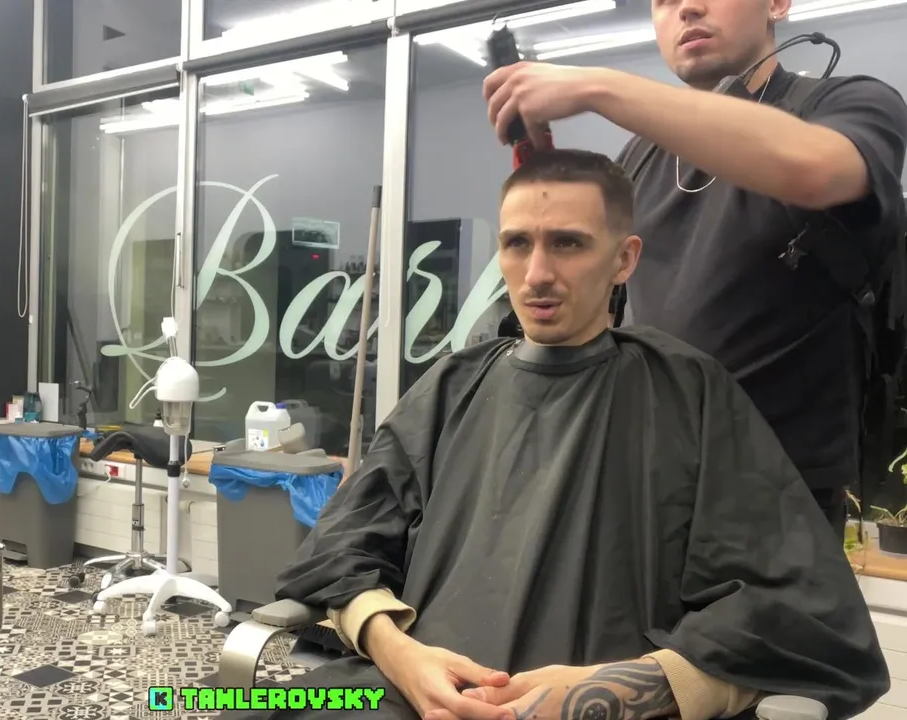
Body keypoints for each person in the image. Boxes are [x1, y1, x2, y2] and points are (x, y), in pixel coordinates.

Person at [234, 150, 887, 720]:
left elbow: (799, 615)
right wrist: (399, 654)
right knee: (234, 701)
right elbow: (341, 549)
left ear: (624, 258)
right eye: (518, 243)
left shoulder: (687, 393)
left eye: (568, 243)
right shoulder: (452, 386)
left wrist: (611, 691)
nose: (537, 273)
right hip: (412, 693)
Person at [481, 1, 907, 537]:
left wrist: (598, 87)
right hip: (648, 487)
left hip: (779, 507)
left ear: (777, 4)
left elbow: (817, 169)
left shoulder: (850, 104)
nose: (686, 7)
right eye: (662, 0)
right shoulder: (641, 159)